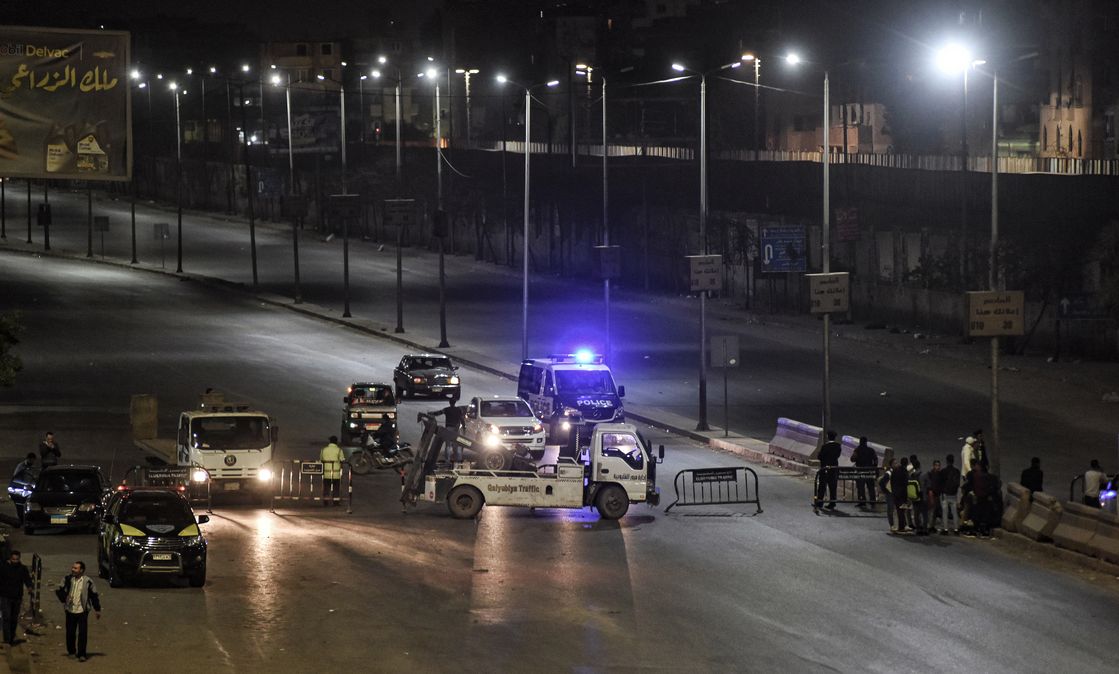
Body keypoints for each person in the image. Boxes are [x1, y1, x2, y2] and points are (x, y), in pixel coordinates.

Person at [56, 561, 100, 662]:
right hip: (70, 610)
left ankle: (82, 654)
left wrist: (97, 609)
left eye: (76, 568)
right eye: (73, 568)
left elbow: (94, 596)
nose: (73, 570)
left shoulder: (88, 582)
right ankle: (71, 651)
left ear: (81, 570)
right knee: (70, 632)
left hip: (82, 611)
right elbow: (60, 590)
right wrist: (65, 598)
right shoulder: (67, 579)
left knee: (82, 633)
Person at [0, 550, 33, 645]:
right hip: (5, 595)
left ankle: (11, 636)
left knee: (14, 618)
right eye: (13, 559)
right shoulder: (3, 567)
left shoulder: (22, 569)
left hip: (17, 596)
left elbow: (27, 578)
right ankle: (7, 639)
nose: (15, 561)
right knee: (6, 617)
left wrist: (29, 587)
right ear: (10, 558)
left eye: (17, 559)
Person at [433, 397, 466, 462]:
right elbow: (462, 419)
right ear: (455, 402)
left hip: (448, 429)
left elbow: (438, 413)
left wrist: (431, 413)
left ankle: (447, 460)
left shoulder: (446, 409)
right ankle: (458, 460)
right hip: (456, 429)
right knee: (457, 445)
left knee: (448, 445)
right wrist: (464, 427)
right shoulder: (459, 410)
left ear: (449, 403)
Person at [814, 431, 841, 510]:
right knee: (833, 486)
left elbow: (820, 456)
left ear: (828, 437)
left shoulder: (825, 446)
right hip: (834, 468)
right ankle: (832, 502)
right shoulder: (838, 446)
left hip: (825, 468)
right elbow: (838, 455)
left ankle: (820, 502)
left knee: (822, 486)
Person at [849, 436, 878, 508]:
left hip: (860, 472)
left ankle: (862, 501)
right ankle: (872, 502)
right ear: (866, 442)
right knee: (871, 487)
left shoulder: (857, 450)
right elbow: (876, 460)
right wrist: (873, 467)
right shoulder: (871, 450)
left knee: (860, 487)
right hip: (869, 471)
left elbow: (852, 459)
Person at [320, 436, 345, 507]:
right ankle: (336, 502)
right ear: (336, 442)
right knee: (336, 488)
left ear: (330, 441)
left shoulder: (323, 450)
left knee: (326, 487)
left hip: (326, 473)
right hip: (336, 473)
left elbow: (321, 459)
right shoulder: (339, 450)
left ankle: (326, 501)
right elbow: (342, 460)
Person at [890, 456, 913, 533]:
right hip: (902, 494)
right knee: (902, 511)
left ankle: (900, 526)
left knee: (898, 510)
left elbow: (892, 481)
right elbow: (906, 484)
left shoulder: (895, 470)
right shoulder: (905, 472)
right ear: (906, 464)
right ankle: (901, 527)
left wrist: (893, 490)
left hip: (895, 493)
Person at [939, 454, 961, 534]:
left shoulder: (944, 471)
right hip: (953, 494)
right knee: (954, 512)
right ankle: (956, 529)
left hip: (945, 494)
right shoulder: (957, 471)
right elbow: (958, 483)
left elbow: (940, 483)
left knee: (945, 512)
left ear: (947, 461)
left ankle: (945, 529)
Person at [909, 458, 928, 535]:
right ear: (919, 466)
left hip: (915, 497)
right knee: (924, 514)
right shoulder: (924, 475)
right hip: (923, 496)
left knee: (916, 513)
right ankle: (925, 529)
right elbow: (928, 485)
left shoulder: (911, 475)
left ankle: (918, 529)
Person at [924, 459, 943, 533]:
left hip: (937, 494)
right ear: (933, 466)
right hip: (932, 494)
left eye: (939, 466)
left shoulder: (940, 474)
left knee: (935, 511)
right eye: (936, 465)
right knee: (931, 510)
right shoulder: (931, 474)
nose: (938, 467)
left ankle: (932, 526)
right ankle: (929, 526)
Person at [879, 459, 896, 531]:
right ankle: (891, 525)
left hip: (895, 493)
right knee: (890, 509)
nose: (896, 464)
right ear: (891, 464)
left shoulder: (896, 472)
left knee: (895, 509)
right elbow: (881, 482)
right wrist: (885, 491)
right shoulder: (888, 473)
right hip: (890, 494)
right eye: (895, 463)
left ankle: (896, 524)